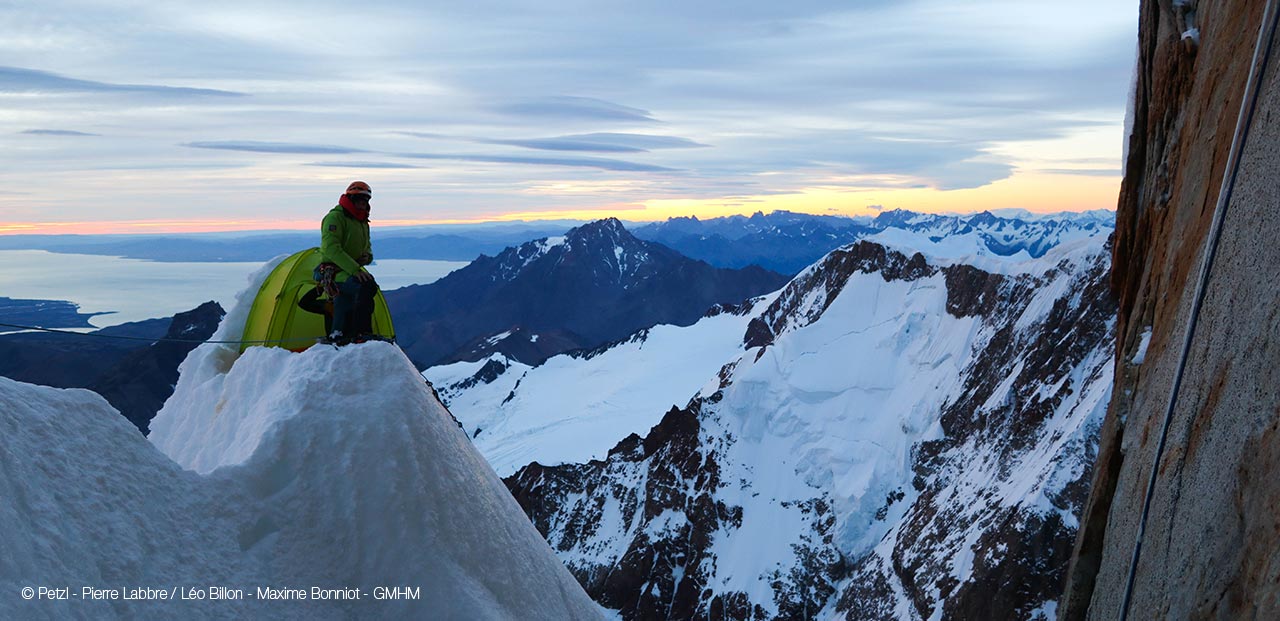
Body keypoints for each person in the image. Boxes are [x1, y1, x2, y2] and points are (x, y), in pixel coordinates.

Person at [318, 180, 376, 343]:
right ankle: (361, 332)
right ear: (349, 198)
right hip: (334, 271)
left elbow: (367, 247)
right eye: (359, 199)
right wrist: (354, 269)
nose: (362, 202)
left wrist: (367, 257)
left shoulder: (362, 221)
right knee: (365, 287)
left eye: (365, 200)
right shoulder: (335, 218)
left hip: (350, 269)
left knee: (347, 298)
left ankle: (339, 333)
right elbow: (331, 249)